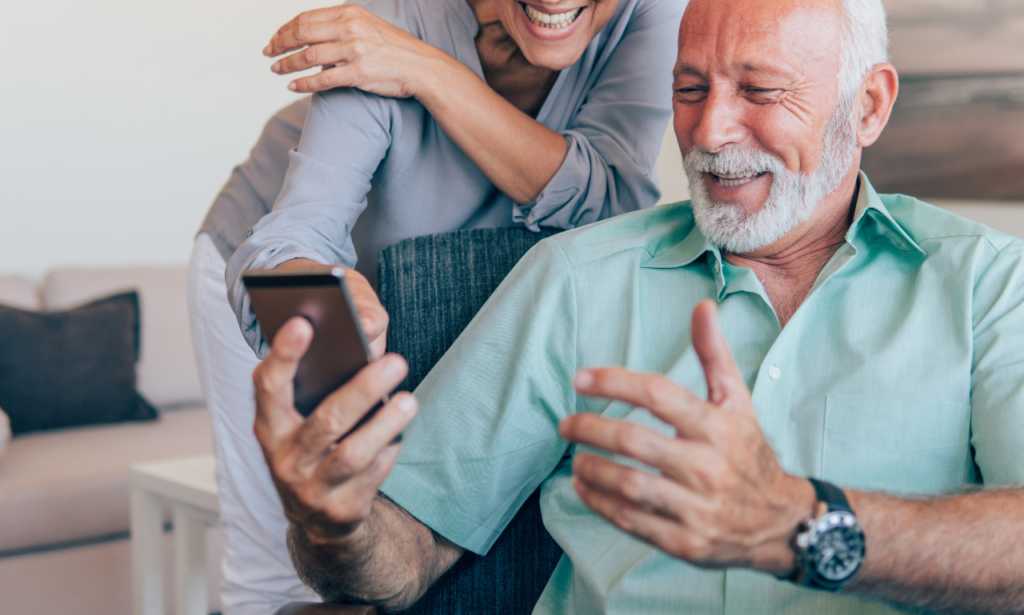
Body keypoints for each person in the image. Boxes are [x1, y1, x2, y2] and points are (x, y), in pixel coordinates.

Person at [251, 0, 1024, 612]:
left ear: (869, 106)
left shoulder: (988, 286)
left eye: (759, 90)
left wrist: (797, 522)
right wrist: (334, 523)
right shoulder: (575, 277)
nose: (710, 131)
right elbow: (406, 547)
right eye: (689, 90)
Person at [187, 0, 685, 612]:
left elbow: (612, 209)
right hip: (275, 269)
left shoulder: (650, 12)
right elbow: (292, 238)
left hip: (456, 279)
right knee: (280, 562)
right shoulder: (385, 21)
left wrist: (426, 71)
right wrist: (315, 293)